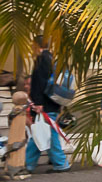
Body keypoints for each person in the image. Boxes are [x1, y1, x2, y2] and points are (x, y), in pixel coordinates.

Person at [24, 37, 67, 175]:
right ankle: (29, 163)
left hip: (45, 104)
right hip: (53, 101)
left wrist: (38, 103)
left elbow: (39, 83)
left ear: (37, 45)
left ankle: (60, 163)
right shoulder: (53, 58)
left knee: (46, 133)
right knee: (41, 132)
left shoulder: (42, 59)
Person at [6, 89, 29, 180]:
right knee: (17, 151)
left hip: (13, 137)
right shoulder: (21, 111)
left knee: (12, 150)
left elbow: (10, 122)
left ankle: (10, 169)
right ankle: (16, 169)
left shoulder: (14, 111)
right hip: (19, 137)